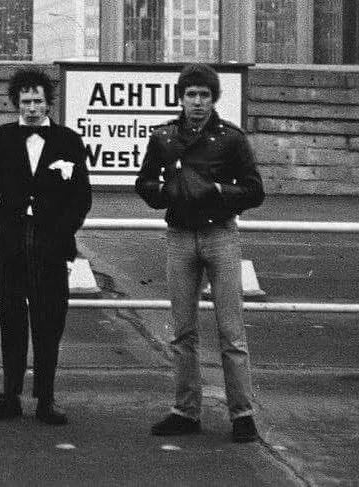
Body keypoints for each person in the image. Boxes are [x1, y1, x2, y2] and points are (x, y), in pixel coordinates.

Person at [134, 63, 265, 444]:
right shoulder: (164, 137)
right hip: (179, 235)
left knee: (231, 331)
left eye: (204, 95)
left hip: (220, 234)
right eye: (190, 94)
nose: (197, 102)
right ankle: (185, 410)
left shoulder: (232, 139)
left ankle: (242, 414)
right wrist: (166, 193)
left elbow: (255, 190)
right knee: (183, 330)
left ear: (214, 99)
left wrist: (220, 192)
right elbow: (144, 181)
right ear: (180, 97)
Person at [0, 66, 91, 425]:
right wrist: (1, 226)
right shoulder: (2, 137)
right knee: (11, 318)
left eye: (37, 100)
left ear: (48, 102)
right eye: (25, 101)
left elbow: (81, 197)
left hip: (51, 243)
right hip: (10, 242)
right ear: (16, 102)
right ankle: (10, 395)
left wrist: (60, 233)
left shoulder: (69, 141)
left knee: (49, 319)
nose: (31, 108)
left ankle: (46, 397)